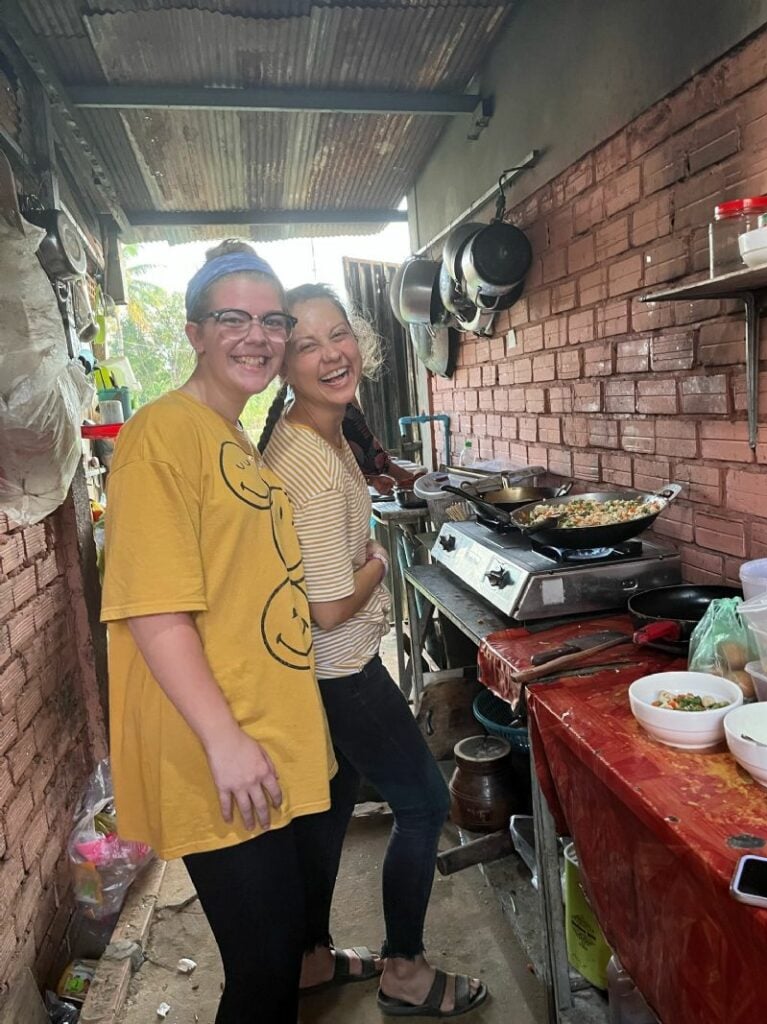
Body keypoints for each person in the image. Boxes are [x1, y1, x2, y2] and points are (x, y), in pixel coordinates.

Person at [100, 241, 337, 1024]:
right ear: (195, 331)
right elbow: (154, 609)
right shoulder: (160, 435)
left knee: (279, 956)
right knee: (264, 969)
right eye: (233, 317)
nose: (258, 336)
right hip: (216, 742)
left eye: (273, 320)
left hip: (257, 727)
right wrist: (224, 739)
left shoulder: (230, 433)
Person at [259, 283, 488, 1018]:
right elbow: (328, 608)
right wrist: (381, 562)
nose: (331, 355)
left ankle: (312, 959)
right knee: (423, 802)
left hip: (320, 668)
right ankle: (405, 971)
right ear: (282, 364)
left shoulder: (319, 431)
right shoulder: (313, 466)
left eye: (339, 335)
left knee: (328, 808)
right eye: (306, 345)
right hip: (341, 667)